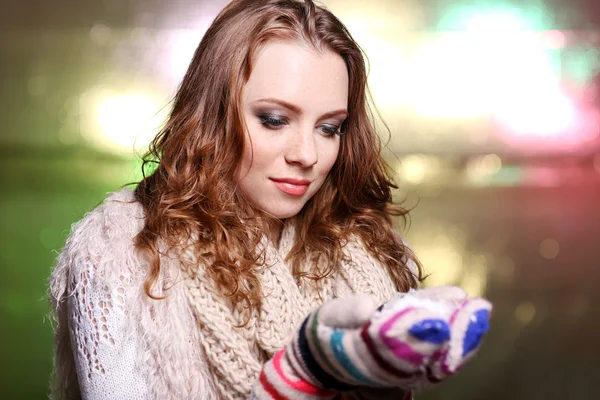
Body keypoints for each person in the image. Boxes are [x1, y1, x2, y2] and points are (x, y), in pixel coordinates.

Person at [49, 0, 491, 399]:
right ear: (213, 114)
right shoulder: (121, 248)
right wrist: (304, 369)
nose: (307, 155)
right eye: (275, 119)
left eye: (329, 127)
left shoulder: (362, 249)